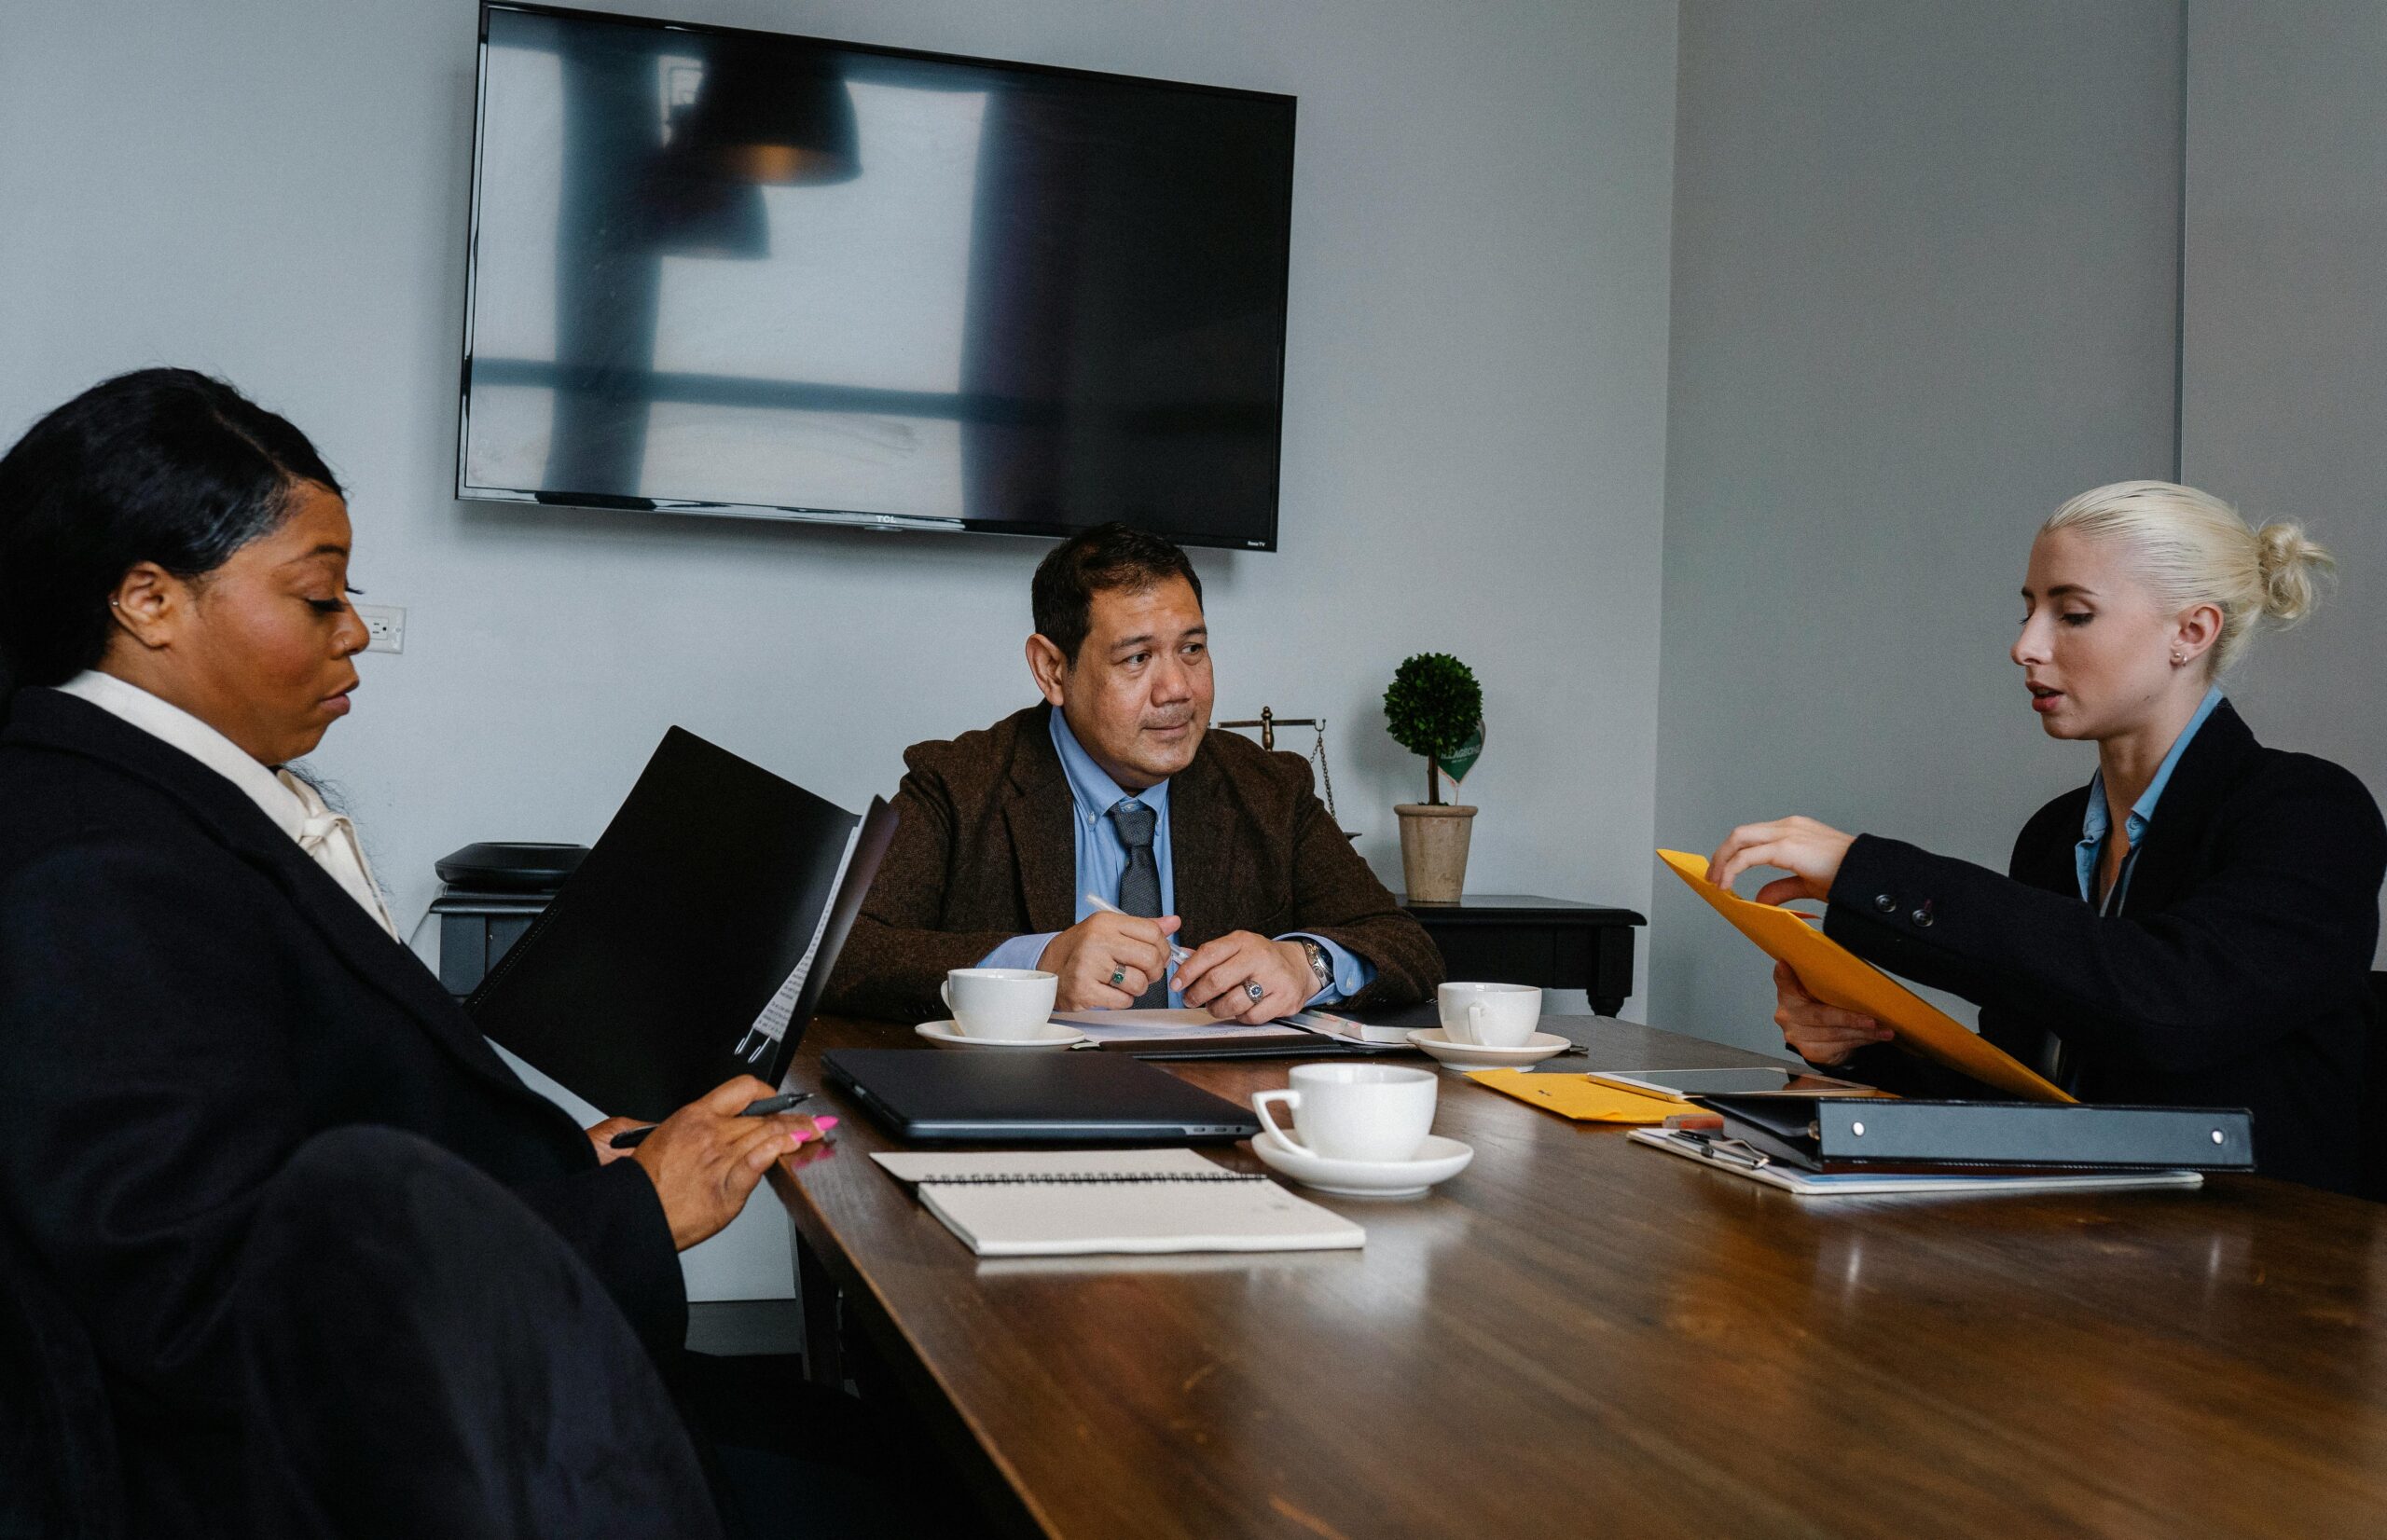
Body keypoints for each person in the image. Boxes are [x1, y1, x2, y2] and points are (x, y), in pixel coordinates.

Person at [0, 369, 867, 1535]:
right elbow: (200, 1304)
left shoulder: (167, 801)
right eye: (319, 596)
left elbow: (311, 1121)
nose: (358, 628)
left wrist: (558, 1169)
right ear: (150, 600)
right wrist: (632, 1215)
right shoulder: (91, 865)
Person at [1704, 480, 2385, 1193]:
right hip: (2079, 1232)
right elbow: (2031, 1100)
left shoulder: (2312, 811)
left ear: (2191, 632)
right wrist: (1859, 1046)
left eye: (2074, 614)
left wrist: (1866, 869)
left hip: (2264, 1246)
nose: (2025, 646)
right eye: (2029, 611)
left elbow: (2170, 1007)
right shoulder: (2054, 835)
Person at [825, 522, 1442, 1024]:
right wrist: (1039, 965)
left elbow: (1404, 944)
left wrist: (1305, 965)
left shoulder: (1270, 789)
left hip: (1224, 1110)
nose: (1177, 690)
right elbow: (840, 956)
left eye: (1192, 649)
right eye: (1137, 658)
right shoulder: (958, 784)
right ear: (1052, 670)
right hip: (1026, 1112)